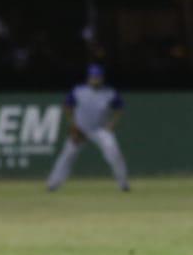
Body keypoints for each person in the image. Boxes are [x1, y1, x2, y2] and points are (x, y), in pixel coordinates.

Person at [45, 63, 130, 192]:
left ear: (102, 78)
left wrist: (112, 124)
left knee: (114, 152)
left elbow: (120, 108)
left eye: (98, 77)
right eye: (93, 77)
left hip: (100, 130)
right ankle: (53, 184)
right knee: (67, 155)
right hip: (81, 129)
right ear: (88, 77)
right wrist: (73, 125)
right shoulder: (79, 91)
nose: (95, 79)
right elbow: (67, 106)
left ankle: (123, 184)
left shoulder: (109, 93)